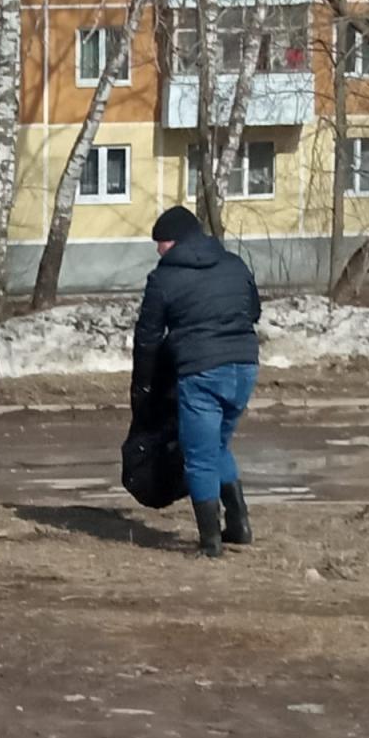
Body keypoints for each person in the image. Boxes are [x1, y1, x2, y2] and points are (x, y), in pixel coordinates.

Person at [131, 205, 261, 558]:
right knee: (218, 446)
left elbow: (147, 337)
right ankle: (238, 525)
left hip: (202, 372)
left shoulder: (164, 278)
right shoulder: (234, 264)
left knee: (200, 457)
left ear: (172, 242)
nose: (157, 250)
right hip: (245, 366)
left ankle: (210, 543)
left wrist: (143, 388)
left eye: (159, 242)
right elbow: (253, 312)